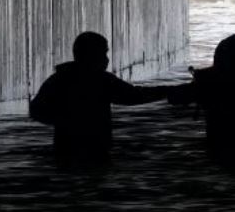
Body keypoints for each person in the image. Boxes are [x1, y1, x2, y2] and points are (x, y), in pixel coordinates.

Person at [29, 31, 174, 161]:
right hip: (96, 152)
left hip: (64, 151)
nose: (107, 59)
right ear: (92, 55)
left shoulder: (59, 79)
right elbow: (134, 95)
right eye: (104, 53)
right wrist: (171, 91)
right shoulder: (100, 80)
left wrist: (63, 121)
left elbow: (35, 110)